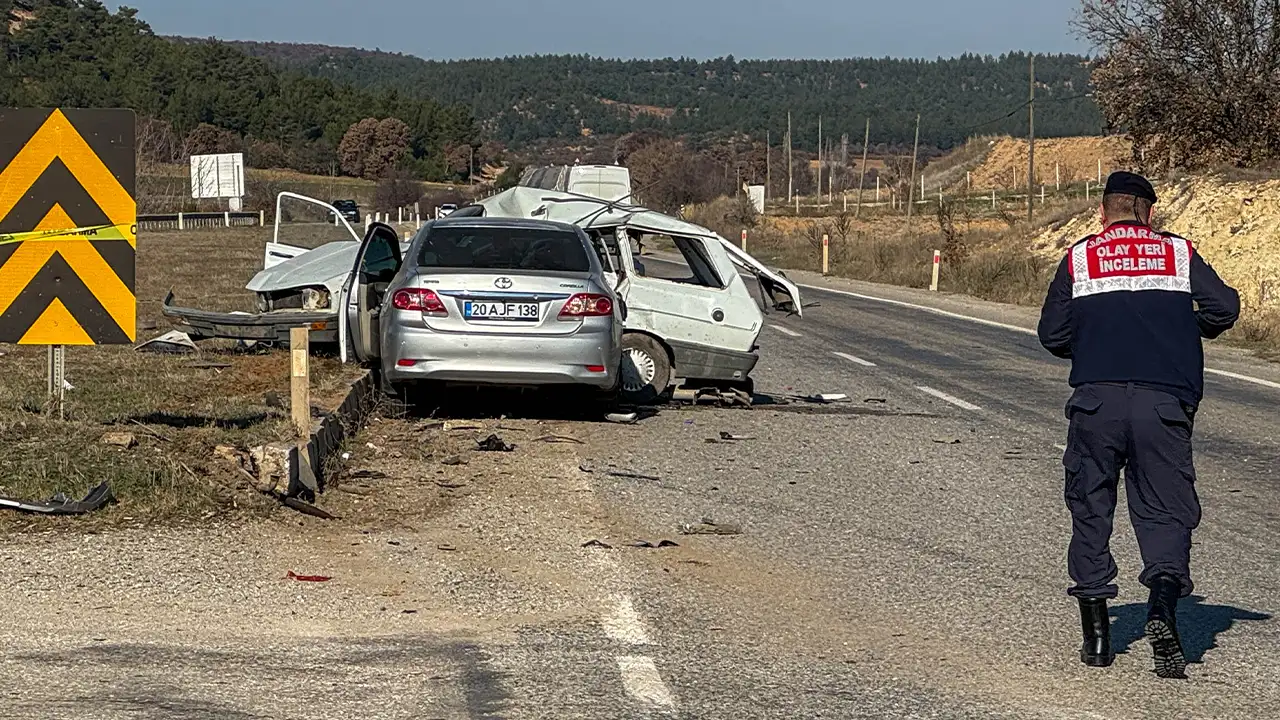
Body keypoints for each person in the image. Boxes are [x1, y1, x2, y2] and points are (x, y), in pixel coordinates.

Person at [1037, 171, 1240, 679]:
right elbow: (1226, 306)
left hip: (1096, 403)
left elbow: (1050, 333)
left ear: (1103, 212)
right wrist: (1186, 328)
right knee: (1166, 511)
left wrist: (1088, 344)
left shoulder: (1080, 256)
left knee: (1090, 506)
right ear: (1149, 212)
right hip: (1163, 405)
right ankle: (1163, 607)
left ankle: (1098, 639)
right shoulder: (1177, 252)